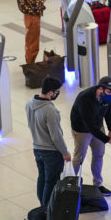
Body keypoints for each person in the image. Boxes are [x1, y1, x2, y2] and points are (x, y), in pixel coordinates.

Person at [70, 76, 111, 195]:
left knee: (99, 155)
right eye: (109, 91)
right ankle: (68, 186)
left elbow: (109, 113)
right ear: (100, 89)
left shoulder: (108, 96)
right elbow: (89, 125)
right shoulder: (85, 98)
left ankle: (98, 185)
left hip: (98, 126)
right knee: (79, 158)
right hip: (82, 130)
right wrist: (108, 140)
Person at [26, 77, 71, 206]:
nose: (57, 94)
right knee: (51, 181)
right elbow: (56, 136)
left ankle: (42, 205)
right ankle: (47, 209)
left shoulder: (30, 103)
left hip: (37, 148)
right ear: (51, 93)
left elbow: (30, 124)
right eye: (57, 91)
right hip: (51, 152)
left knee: (42, 178)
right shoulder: (50, 110)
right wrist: (65, 152)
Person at [16, 0, 47, 64]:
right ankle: (30, 66)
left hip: (30, 16)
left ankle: (30, 64)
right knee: (33, 44)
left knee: (31, 42)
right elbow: (35, 3)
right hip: (32, 17)